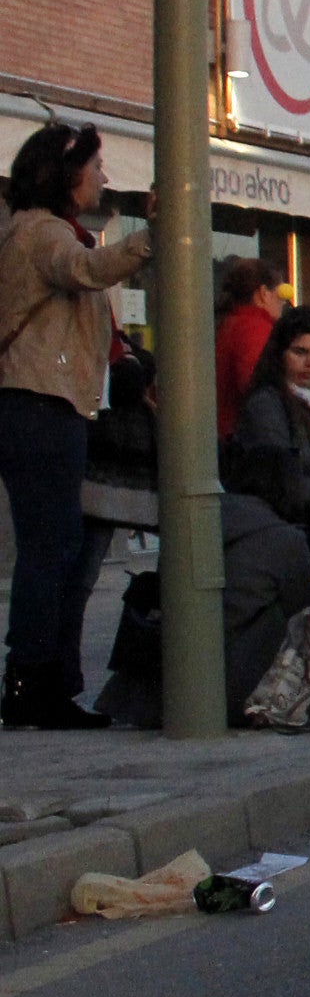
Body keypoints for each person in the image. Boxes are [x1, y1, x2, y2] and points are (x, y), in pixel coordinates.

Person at [0, 122, 151, 730]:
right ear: (66, 176)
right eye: (96, 168)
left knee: (61, 546)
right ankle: (28, 681)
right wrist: (150, 239)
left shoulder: (35, 232)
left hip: (50, 404)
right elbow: (85, 271)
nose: (105, 179)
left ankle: (49, 682)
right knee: (51, 547)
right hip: (39, 404)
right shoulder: (41, 233)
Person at [217, 440, 310, 714]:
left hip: (167, 672)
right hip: (234, 678)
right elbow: (304, 607)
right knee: (306, 616)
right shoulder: (283, 538)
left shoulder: (205, 518)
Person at [233, 304, 310, 520]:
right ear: (279, 353)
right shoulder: (266, 404)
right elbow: (282, 482)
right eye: (300, 352)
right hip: (292, 520)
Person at [214, 256, 287, 432]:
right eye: (281, 293)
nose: (284, 301)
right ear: (263, 293)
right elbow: (256, 384)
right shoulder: (255, 328)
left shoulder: (229, 323)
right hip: (248, 437)